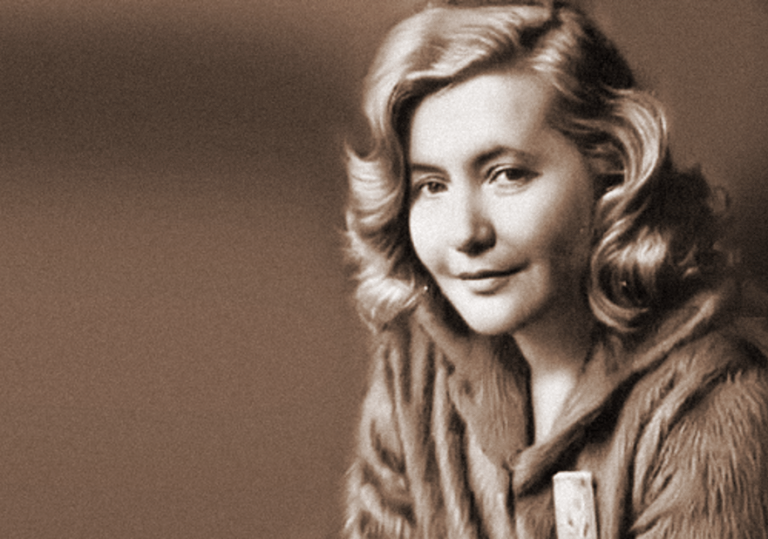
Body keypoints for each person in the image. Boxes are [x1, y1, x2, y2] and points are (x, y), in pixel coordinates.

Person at [342, 1, 768, 537]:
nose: (465, 233)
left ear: (611, 171)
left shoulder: (718, 398)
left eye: (507, 175)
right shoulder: (416, 369)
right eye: (431, 185)